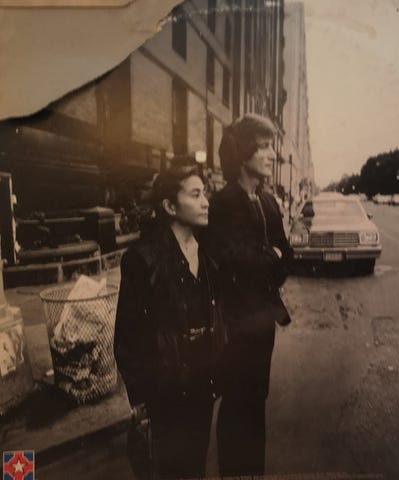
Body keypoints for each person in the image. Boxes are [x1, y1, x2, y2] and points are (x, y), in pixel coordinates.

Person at [114, 164, 225, 479]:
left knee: (195, 466)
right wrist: (139, 399)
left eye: (204, 194)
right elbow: (127, 336)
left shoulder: (208, 253)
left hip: (202, 386)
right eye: (195, 194)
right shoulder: (142, 260)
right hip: (165, 393)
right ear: (169, 206)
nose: (206, 202)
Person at [207, 113, 293, 476]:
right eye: (264, 147)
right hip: (235, 324)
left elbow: (287, 258)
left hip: (263, 323)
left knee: (256, 401)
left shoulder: (269, 201)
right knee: (237, 404)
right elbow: (234, 263)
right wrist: (269, 257)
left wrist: (270, 257)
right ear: (243, 154)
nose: (272, 155)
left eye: (272, 147)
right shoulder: (223, 203)